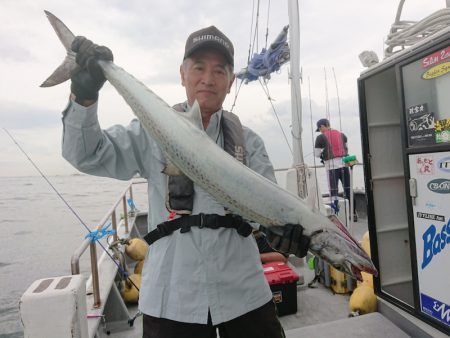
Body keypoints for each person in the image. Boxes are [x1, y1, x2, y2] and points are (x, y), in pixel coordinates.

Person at [61, 25, 310, 338]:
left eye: (220, 70)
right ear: (182, 74)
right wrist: (83, 97)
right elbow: (87, 155)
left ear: (231, 81)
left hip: (245, 295)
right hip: (171, 299)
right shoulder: (151, 132)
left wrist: (284, 235)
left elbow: (270, 212)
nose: (208, 79)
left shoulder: (250, 143)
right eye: (199, 68)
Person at [314, 118, 352, 217]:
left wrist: (323, 151)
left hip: (331, 168)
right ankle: (353, 213)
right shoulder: (342, 135)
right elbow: (346, 148)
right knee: (348, 189)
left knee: (333, 191)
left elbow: (316, 154)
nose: (320, 131)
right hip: (344, 166)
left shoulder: (320, 138)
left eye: (320, 128)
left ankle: (336, 213)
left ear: (322, 126)